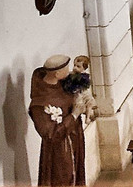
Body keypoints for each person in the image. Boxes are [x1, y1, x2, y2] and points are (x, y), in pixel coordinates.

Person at [28, 54, 86, 186]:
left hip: (75, 140)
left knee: (77, 176)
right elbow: (51, 134)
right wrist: (74, 115)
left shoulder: (64, 85)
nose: (69, 70)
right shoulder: (40, 103)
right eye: (66, 69)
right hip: (58, 154)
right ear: (57, 73)